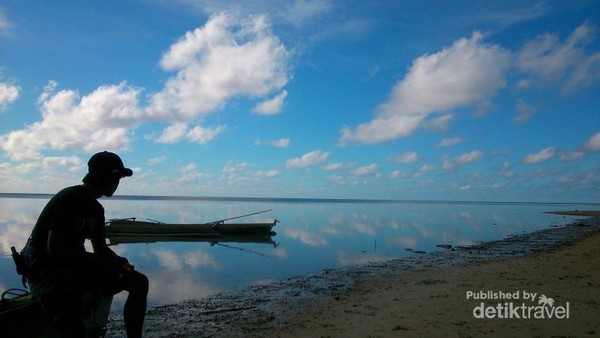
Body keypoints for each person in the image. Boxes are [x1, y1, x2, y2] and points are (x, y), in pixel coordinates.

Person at [21, 151, 148, 337]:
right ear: (106, 178)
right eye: (117, 178)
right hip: (45, 270)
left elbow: (101, 248)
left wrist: (118, 261)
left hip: (72, 267)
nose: (118, 183)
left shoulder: (96, 209)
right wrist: (99, 262)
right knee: (73, 322)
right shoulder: (68, 199)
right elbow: (54, 250)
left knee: (138, 281)